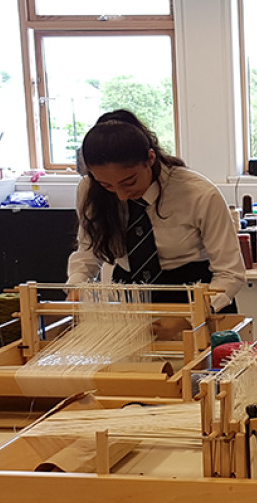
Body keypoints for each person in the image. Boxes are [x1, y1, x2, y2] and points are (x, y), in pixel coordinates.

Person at [67, 110, 246, 338]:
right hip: (130, 300)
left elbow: (231, 273)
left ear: (150, 158)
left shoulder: (199, 194)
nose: (121, 195)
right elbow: (87, 252)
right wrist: (76, 288)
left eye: (129, 181)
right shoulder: (89, 190)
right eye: (107, 186)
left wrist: (191, 317)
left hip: (195, 297)